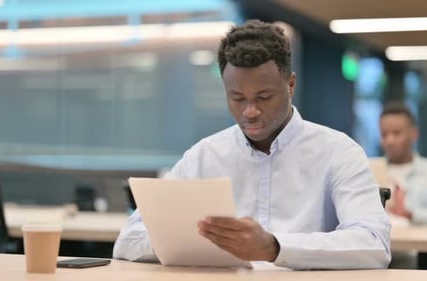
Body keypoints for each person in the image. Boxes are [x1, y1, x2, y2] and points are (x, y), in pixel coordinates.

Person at [113, 20, 390, 270]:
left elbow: (374, 243)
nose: (250, 111)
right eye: (237, 98)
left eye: (264, 96)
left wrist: (275, 247)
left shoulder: (338, 152)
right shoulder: (203, 156)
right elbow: (129, 240)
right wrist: (204, 244)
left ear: (291, 85)